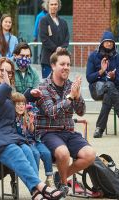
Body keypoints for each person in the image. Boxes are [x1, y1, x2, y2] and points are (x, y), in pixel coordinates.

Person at [0, 57, 64, 200]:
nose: (5, 74)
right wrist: (5, 86)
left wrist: (28, 95)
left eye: (9, 72)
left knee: (27, 149)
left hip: (3, 136)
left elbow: (10, 106)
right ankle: (42, 187)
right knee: (15, 150)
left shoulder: (6, 91)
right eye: (2, 70)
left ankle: (35, 193)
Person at [35, 48, 96, 197]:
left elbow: (81, 111)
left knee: (90, 154)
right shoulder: (43, 87)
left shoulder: (71, 85)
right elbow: (52, 112)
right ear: (53, 66)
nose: (66, 67)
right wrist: (70, 97)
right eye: (62, 64)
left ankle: (60, 177)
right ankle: (63, 184)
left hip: (68, 131)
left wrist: (78, 96)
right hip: (48, 132)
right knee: (63, 154)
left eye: (68, 64)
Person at [86, 31, 119, 138]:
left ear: (113, 44)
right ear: (102, 43)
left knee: (109, 94)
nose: (109, 44)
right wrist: (101, 71)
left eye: (111, 42)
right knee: (109, 85)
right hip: (96, 89)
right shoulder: (93, 56)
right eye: (106, 42)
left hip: (110, 90)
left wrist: (112, 77)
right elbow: (89, 78)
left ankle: (99, 129)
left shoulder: (116, 57)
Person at [11, 92, 54, 187]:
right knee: (36, 154)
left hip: (34, 140)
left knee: (47, 153)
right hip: (25, 142)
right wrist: (25, 127)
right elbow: (21, 134)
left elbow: (31, 131)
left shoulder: (26, 115)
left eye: (23, 104)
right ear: (12, 105)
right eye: (18, 104)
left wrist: (30, 124)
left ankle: (49, 178)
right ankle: (36, 181)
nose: (21, 106)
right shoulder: (13, 118)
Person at [39, 0, 69, 78]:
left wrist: (62, 48)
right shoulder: (44, 20)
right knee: (48, 86)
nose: (53, 6)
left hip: (61, 61)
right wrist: (56, 48)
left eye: (55, 4)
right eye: (51, 4)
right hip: (47, 60)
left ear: (58, 6)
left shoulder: (63, 22)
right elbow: (44, 38)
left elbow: (67, 38)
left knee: (61, 85)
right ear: (47, 5)